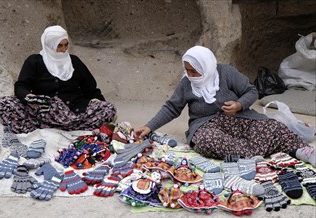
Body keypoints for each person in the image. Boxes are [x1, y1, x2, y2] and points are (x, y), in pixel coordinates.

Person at [135, 45, 315, 167]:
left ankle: (299, 150)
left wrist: (238, 105)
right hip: (206, 125)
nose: (190, 75)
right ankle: (252, 155)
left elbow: (251, 91)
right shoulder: (186, 83)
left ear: (205, 65)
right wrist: (149, 126)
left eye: (194, 70)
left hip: (239, 118)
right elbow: (172, 108)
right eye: (187, 70)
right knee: (207, 142)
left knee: (273, 128)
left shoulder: (226, 72)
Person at [0, 25, 117, 134]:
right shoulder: (35, 61)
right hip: (44, 111)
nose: (63, 50)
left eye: (66, 45)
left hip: (74, 112)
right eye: (59, 46)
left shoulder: (74, 61)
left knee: (108, 109)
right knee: (4, 104)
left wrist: (103, 104)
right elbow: (21, 85)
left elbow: (90, 89)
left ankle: (51, 128)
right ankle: (57, 127)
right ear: (50, 45)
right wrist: (29, 97)